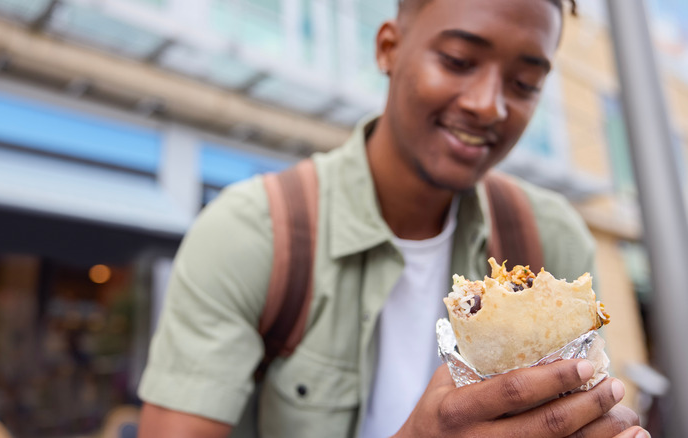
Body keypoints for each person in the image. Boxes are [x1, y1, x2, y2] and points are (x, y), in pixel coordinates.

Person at [137, 0, 648, 436]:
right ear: (388, 48)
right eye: (458, 60)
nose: (489, 105)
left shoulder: (549, 240)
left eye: (524, 83)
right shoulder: (250, 234)